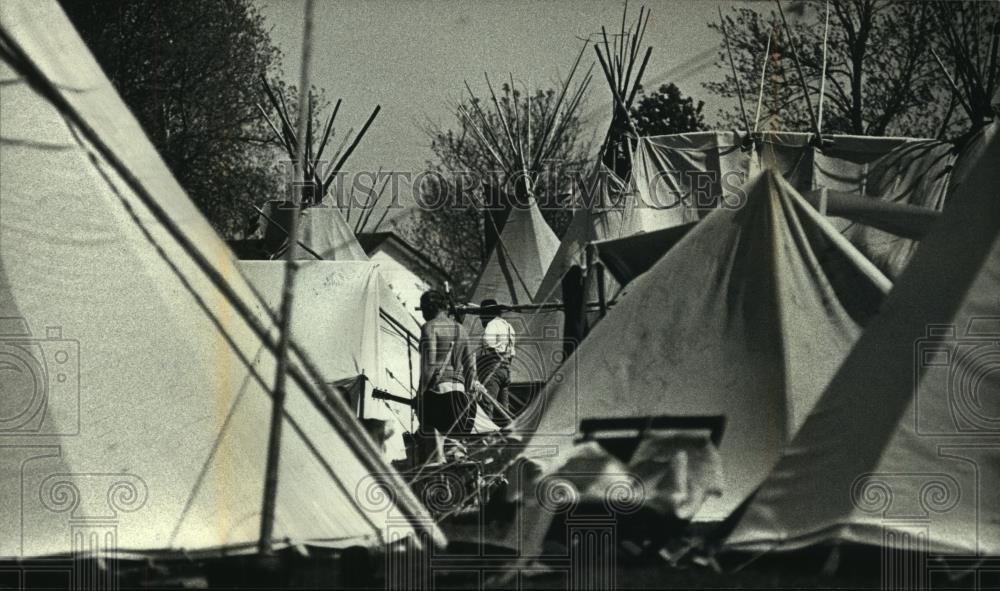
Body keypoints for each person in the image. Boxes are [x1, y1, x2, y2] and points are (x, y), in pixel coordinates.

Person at [416, 290, 477, 463]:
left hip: (438, 395)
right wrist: (469, 395)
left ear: (430, 307)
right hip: (459, 397)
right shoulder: (461, 329)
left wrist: (420, 393)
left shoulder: (430, 327)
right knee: (456, 452)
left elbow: (430, 364)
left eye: (422, 308)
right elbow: (471, 368)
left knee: (434, 455)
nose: (422, 313)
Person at [476, 298, 516, 426]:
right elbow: (511, 353)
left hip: (493, 369)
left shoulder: (492, 324)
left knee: (487, 404)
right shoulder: (509, 326)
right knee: (503, 408)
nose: (481, 318)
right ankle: (510, 434)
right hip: (505, 369)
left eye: (482, 315)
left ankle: (486, 436)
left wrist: (490, 362)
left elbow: (488, 344)